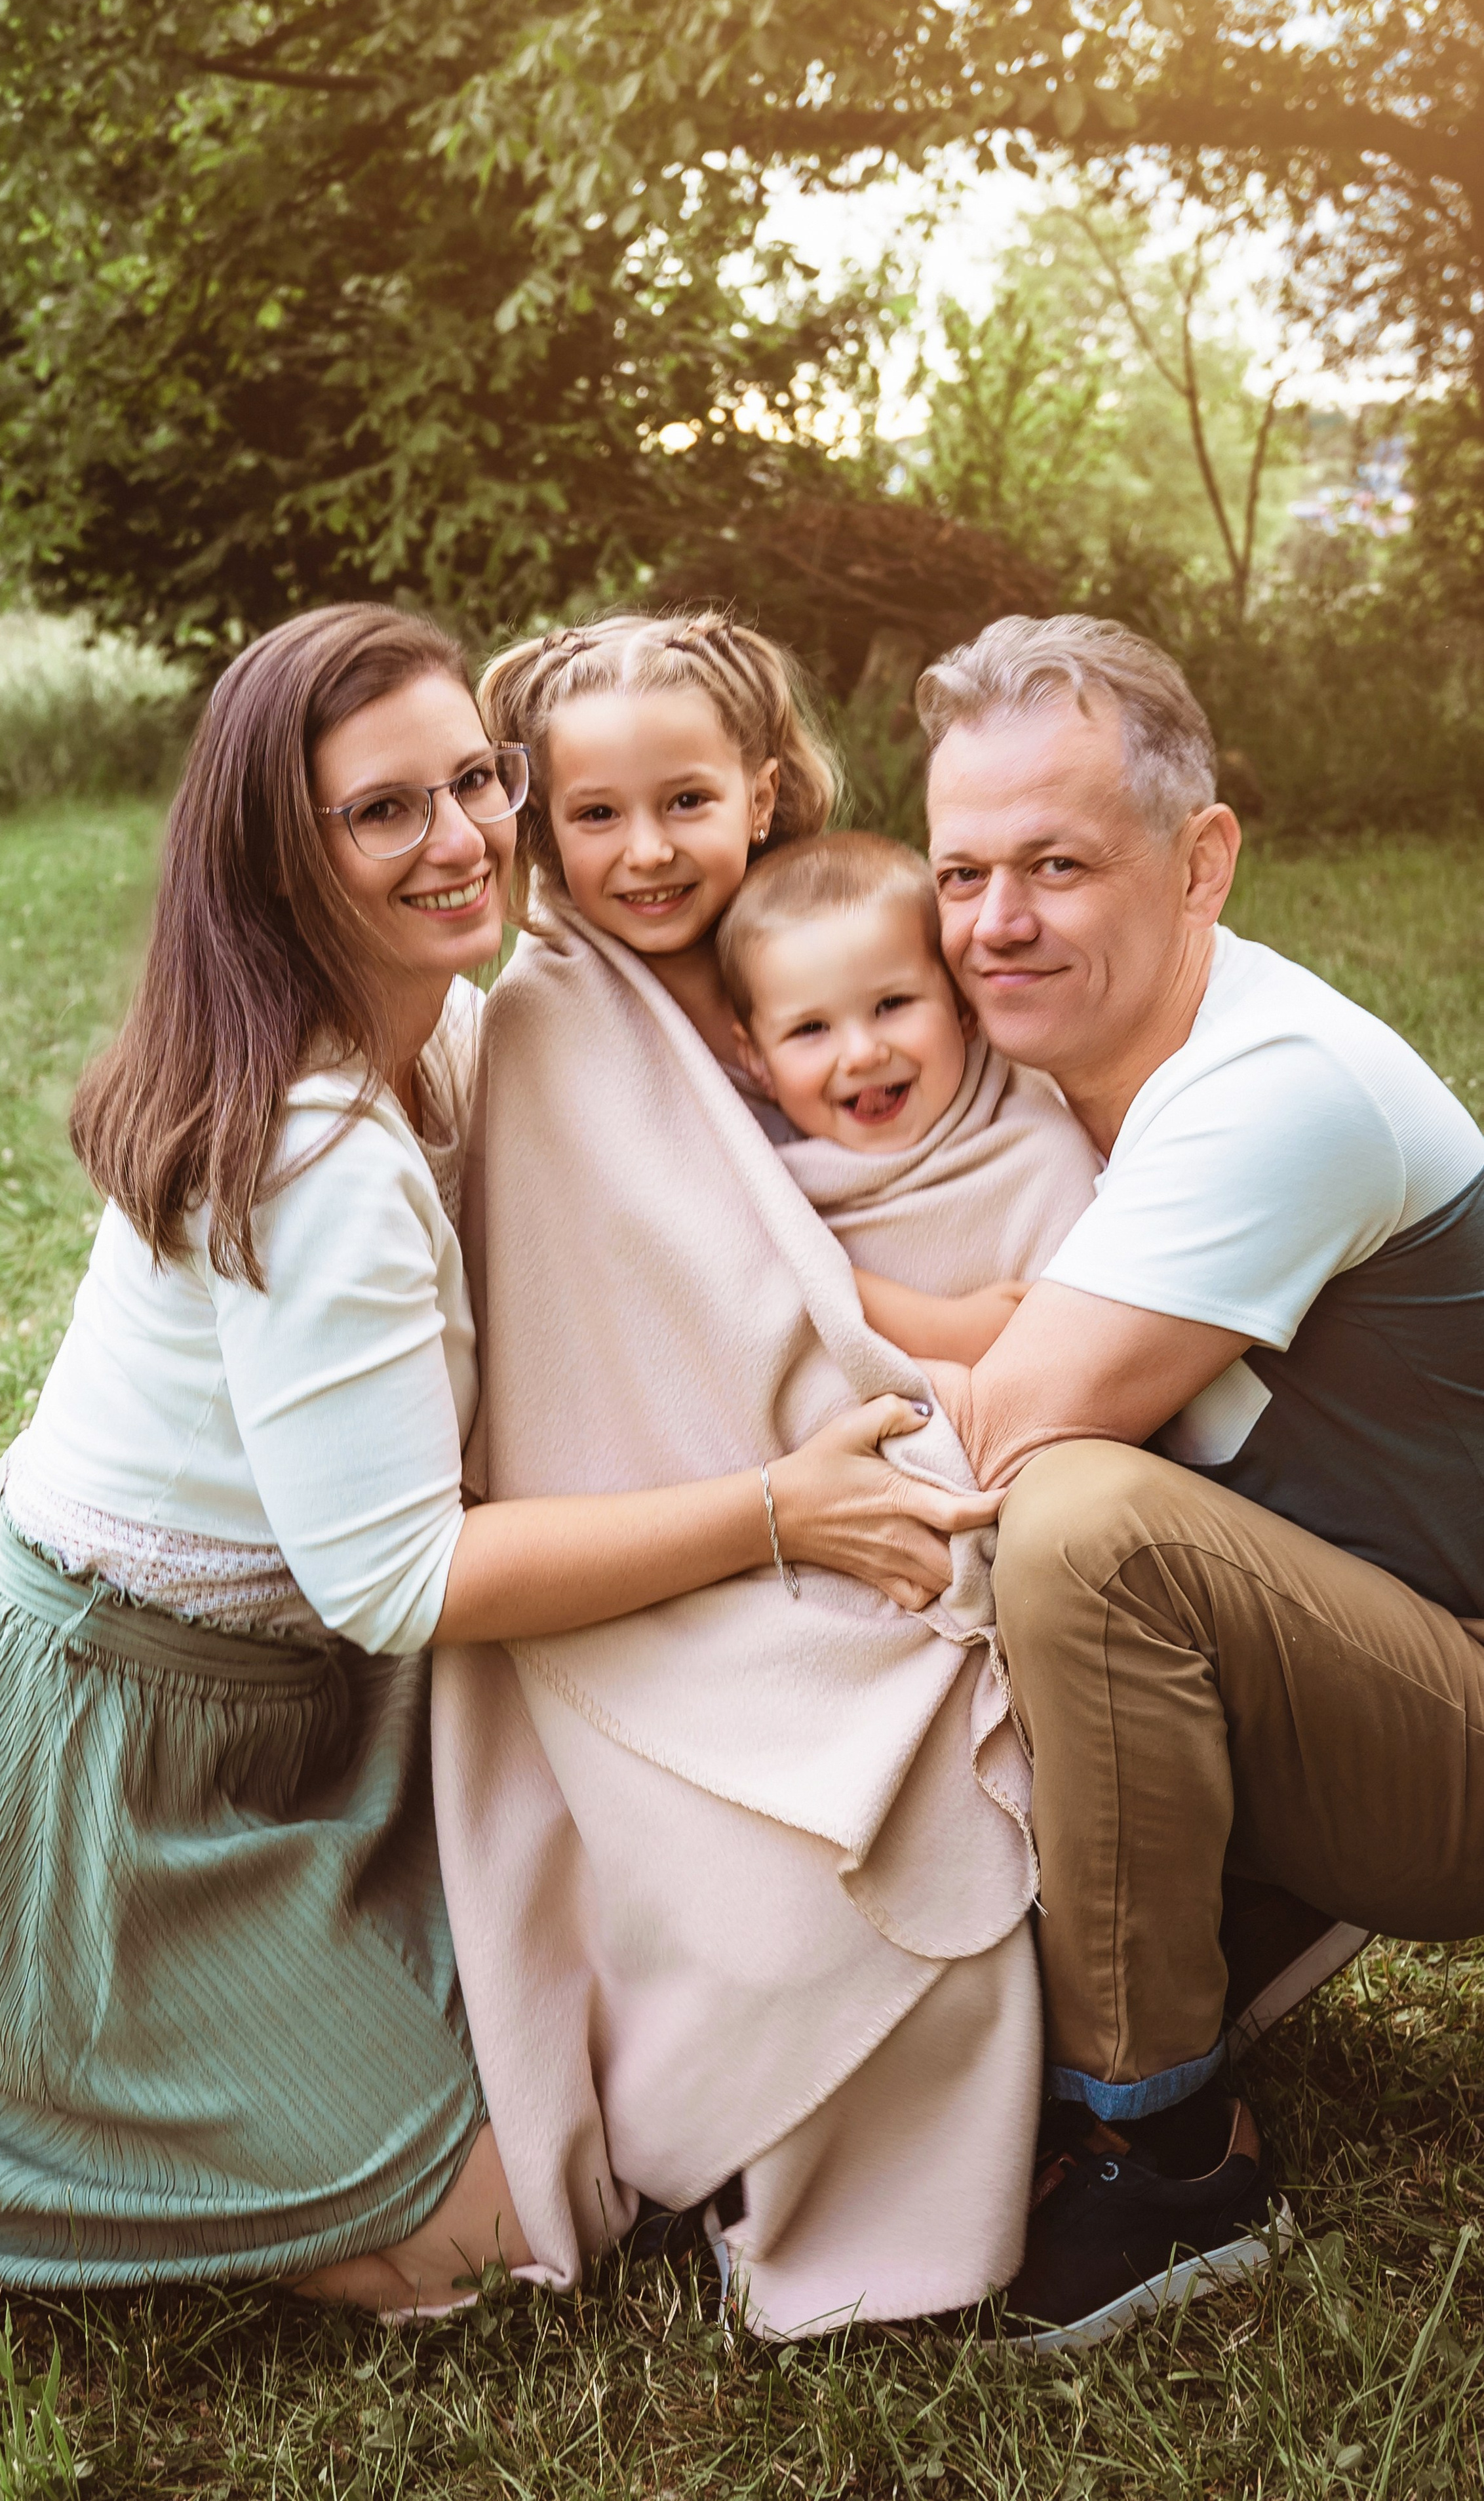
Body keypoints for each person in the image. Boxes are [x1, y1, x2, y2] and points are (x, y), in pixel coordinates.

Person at [0, 604, 972, 2309]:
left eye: (478, 782)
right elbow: (397, 1579)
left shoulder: (434, 1022)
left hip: (290, 1732)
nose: (463, 839)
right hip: (90, 1761)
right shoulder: (318, 1155)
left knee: (562, 2081)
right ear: (281, 853)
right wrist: (777, 1513)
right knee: (482, 2248)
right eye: (384, 811)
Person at [432, 613, 1088, 2337]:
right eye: (594, 817)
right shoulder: (557, 1021)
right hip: (650, 1551)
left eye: (686, 803)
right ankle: (776, 2149)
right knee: (857, 1822)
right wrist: (933, 1372)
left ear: (766, 794)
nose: (644, 852)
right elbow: (689, 1312)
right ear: (532, 823)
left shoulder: (802, 961)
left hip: (808, 1483)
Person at [885, 612, 1484, 2352]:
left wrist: (784, 1325)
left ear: (1201, 860)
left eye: (1058, 865)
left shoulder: (1272, 1089)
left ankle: (1167, 2157)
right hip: (1348, 1634)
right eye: (966, 871)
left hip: (1451, 1724)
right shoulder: (1054, 1058)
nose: (998, 924)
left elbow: (1003, 1441)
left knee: (1079, 1525)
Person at [717, 829, 1096, 1361]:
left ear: (964, 1006)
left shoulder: (1036, 1158)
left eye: (891, 1004)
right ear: (757, 1060)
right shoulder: (766, 1191)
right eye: (810, 1029)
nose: (862, 1054)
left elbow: (1076, 1345)